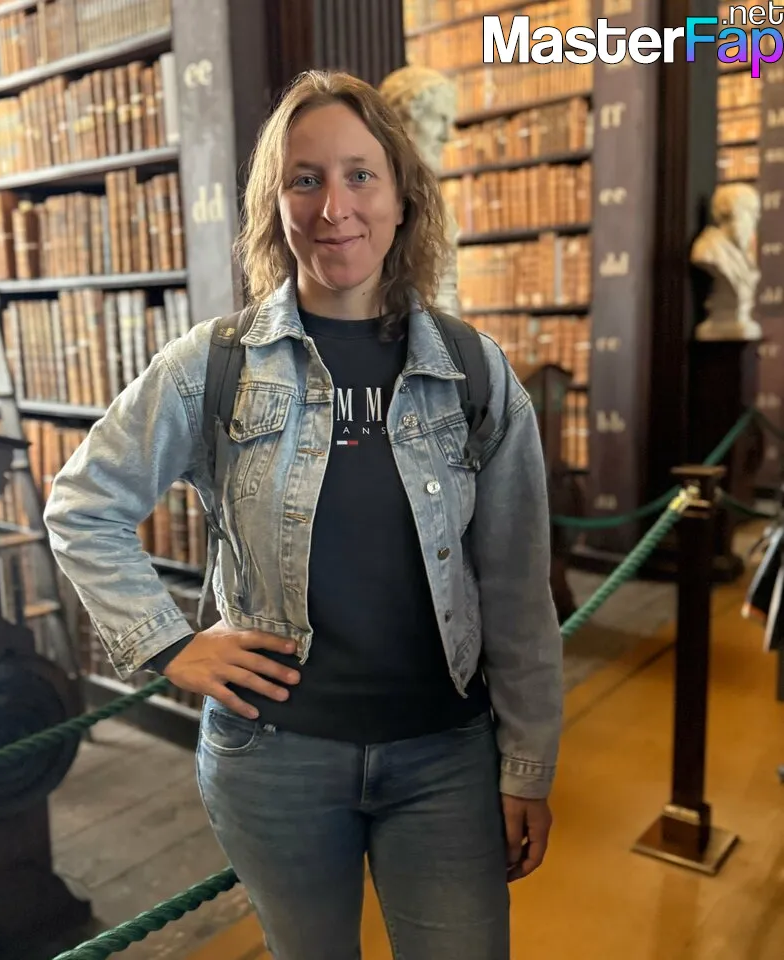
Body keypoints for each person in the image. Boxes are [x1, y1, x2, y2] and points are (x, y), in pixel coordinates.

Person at [44, 69, 564, 960]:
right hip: (275, 763)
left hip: (444, 759)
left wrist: (527, 765)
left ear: (402, 195)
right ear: (274, 204)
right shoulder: (212, 365)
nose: (335, 208)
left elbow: (517, 588)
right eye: (305, 179)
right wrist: (169, 645)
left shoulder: (474, 373)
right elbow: (82, 503)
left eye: (360, 175)